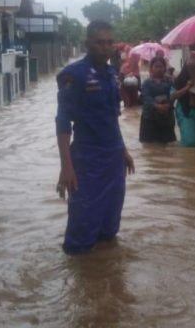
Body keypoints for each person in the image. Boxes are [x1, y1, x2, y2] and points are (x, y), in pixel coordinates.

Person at [55, 20, 136, 254]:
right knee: (82, 231)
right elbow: (63, 123)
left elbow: (111, 118)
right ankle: (80, 283)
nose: (105, 47)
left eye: (110, 42)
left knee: (109, 230)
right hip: (87, 161)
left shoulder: (111, 74)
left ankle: (104, 281)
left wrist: (124, 151)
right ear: (87, 44)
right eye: (100, 42)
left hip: (113, 160)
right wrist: (66, 167)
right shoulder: (73, 75)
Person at [139, 57, 187, 143]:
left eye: (161, 66)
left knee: (168, 145)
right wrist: (157, 106)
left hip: (166, 117)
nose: (158, 69)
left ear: (165, 68)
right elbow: (146, 98)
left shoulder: (169, 82)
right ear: (151, 68)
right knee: (150, 146)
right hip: (149, 118)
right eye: (156, 66)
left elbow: (173, 95)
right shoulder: (146, 83)